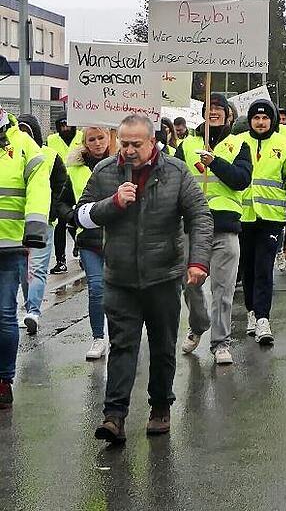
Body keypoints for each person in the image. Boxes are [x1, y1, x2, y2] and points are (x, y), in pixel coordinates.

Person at [77, 114, 212, 444]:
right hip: (120, 277)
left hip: (163, 275)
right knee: (122, 345)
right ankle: (114, 416)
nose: (129, 150)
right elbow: (80, 214)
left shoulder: (175, 171)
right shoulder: (105, 171)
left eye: (136, 144)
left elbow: (200, 217)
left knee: (163, 345)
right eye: (124, 143)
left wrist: (198, 263)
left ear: (153, 142)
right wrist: (113, 203)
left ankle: (160, 406)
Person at [176, 93, 252, 365]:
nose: (215, 112)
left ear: (229, 116)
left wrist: (215, 163)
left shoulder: (239, 144)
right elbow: (175, 180)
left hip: (225, 226)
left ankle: (221, 342)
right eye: (210, 108)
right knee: (191, 284)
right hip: (193, 225)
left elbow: (241, 180)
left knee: (223, 289)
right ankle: (198, 325)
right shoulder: (186, 145)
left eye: (220, 108)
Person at [239, 99, 286, 344]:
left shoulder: (284, 145)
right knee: (248, 268)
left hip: (272, 217)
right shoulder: (239, 143)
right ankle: (252, 312)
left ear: (272, 120)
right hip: (244, 216)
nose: (261, 122)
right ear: (250, 120)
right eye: (256, 118)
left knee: (264, 267)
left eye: (265, 118)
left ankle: (264, 318)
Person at [0, 109, 50, 409]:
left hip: (9, 245)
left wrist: (34, 229)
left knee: (4, 313)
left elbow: (39, 189)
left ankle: (3, 379)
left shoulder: (24, 145)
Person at [61, 127, 114, 360]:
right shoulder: (73, 169)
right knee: (96, 288)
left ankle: (121, 335)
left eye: (101, 137)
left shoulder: (122, 165)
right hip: (88, 240)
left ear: (110, 138)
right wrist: (72, 216)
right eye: (91, 139)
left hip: (118, 238)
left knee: (120, 291)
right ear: (84, 142)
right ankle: (98, 337)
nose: (97, 143)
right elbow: (61, 201)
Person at [16, 114, 68, 336]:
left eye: (27, 131)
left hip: (42, 222)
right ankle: (29, 307)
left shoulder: (50, 155)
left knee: (36, 268)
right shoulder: (10, 154)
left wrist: (52, 210)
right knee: (22, 271)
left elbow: (61, 184)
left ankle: (34, 312)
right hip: (15, 223)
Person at [47, 111, 83, 275]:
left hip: (79, 186)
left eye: (68, 124)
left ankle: (80, 248)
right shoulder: (51, 140)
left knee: (77, 223)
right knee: (59, 224)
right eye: (62, 125)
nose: (66, 128)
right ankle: (60, 260)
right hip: (60, 188)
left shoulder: (82, 137)